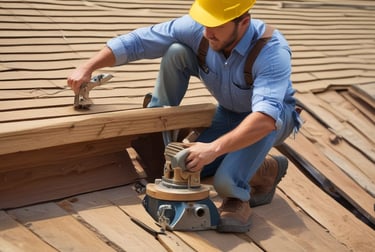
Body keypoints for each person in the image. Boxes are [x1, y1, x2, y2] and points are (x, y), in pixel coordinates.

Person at [67, 0, 302, 233]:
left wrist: (212, 149)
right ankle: (159, 129)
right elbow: (139, 41)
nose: (207, 33)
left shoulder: (271, 50)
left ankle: (238, 195)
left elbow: (264, 118)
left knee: (224, 181)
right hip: (229, 113)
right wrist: (88, 66)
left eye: (216, 26)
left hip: (271, 120)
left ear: (244, 23)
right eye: (205, 23)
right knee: (176, 51)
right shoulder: (199, 29)